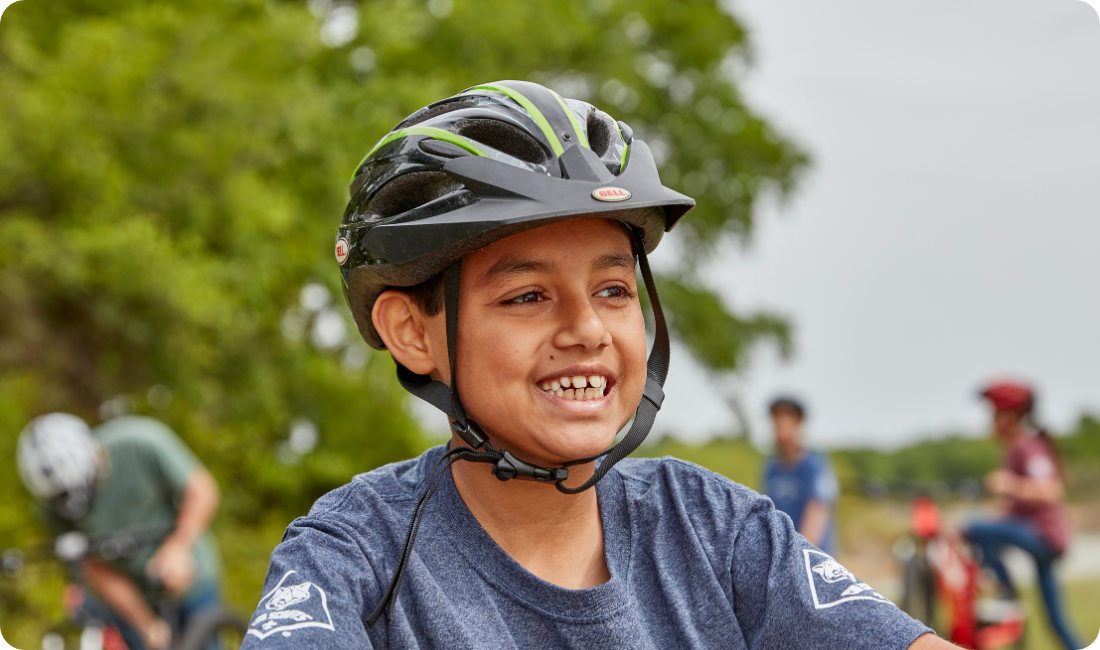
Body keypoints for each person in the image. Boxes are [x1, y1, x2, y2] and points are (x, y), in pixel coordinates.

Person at [241, 80, 957, 649]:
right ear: (412, 332)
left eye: (613, 290)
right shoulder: (353, 552)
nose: (586, 329)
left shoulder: (714, 529)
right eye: (527, 296)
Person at [16, 413, 223, 650]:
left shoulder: (141, 441)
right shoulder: (51, 505)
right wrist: (145, 624)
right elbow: (94, 567)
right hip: (128, 597)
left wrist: (178, 547)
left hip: (190, 579)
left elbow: (201, 490)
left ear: (94, 453)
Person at [963, 381, 1080, 650]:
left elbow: (1051, 490)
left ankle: (1006, 593)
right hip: (1035, 536)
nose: (990, 422)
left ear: (1010, 417)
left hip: (1044, 538)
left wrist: (1010, 484)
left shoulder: (1027, 447)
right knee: (1055, 619)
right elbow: (1013, 512)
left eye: (994, 415)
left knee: (972, 527)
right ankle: (1009, 600)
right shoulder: (1017, 448)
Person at [762, 396, 838, 553]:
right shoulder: (772, 469)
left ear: (798, 423)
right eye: (776, 421)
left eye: (785, 421)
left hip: (810, 559)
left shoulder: (815, 467)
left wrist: (796, 558)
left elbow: (816, 517)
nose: (779, 427)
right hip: (781, 556)